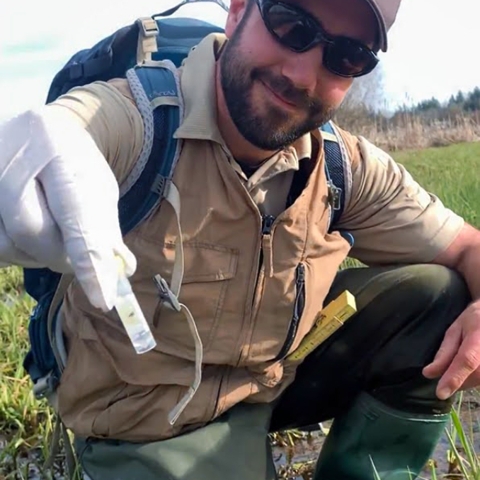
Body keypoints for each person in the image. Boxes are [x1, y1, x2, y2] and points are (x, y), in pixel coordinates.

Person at [0, 0, 479, 478]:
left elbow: (466, 247)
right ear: (238, 11)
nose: (302, 74)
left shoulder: (341, 166)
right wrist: (36, 158)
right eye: (292, 26)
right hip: (153, 417)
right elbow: (72, 131)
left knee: (438, 296)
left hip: (270, 377)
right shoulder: (136, 122)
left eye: (346, 56)